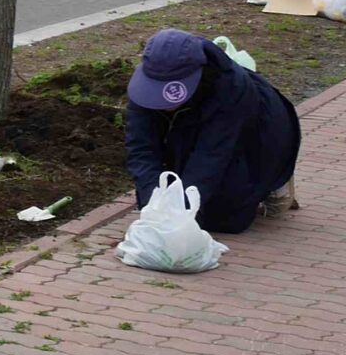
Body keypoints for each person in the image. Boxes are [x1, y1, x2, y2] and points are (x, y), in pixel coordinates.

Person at [124, 27, 302, 232]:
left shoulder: (231, 87)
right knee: (159, 199)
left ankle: (273, 184)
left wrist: (180, 214)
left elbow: (211, 155)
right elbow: (141, 148)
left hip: (258, 136)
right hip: (189, 129)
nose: (163, 103)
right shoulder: (145, 85)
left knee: (224, 218)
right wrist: (154, 208)